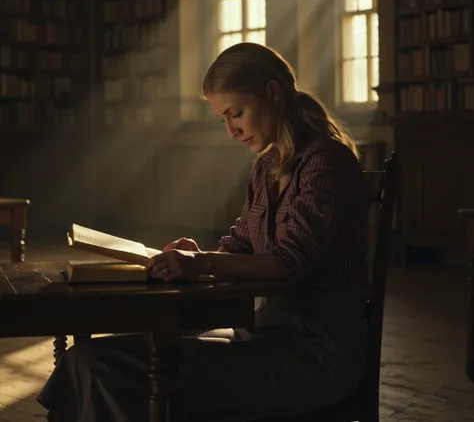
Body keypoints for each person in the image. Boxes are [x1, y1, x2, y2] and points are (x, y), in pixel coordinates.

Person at [37, 42, 371, 421]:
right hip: (262, 334)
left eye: (236, 113)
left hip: (314, 354)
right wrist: (200, 253)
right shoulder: (267, 167)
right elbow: (243, 242)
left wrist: (201, 263)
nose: (231, 131)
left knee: (108, 370)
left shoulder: (326, 161)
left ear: (273, 92)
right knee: (86, 359)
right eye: (223, 120)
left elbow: (291, 262)